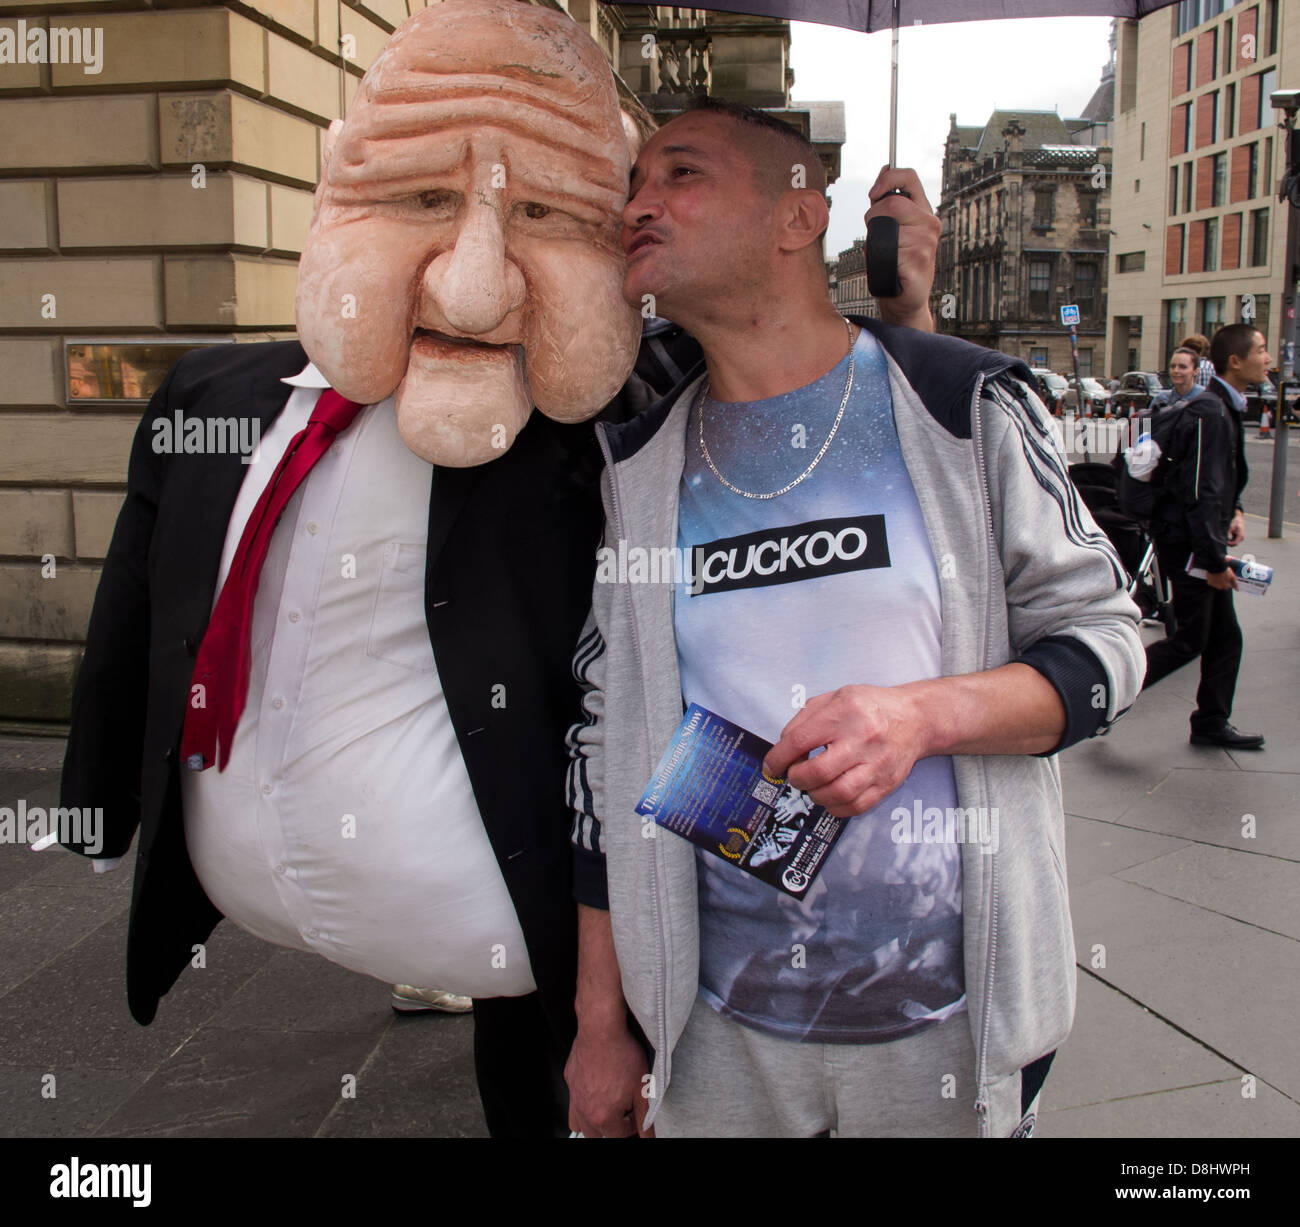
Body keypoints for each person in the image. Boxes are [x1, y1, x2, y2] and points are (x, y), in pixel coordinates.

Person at [54, 3, 940, 1137]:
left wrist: (897, 306)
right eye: (422, 199)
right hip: (258, 888)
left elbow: (787, 402)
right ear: (335, 183)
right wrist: (94, 809)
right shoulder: (213, 401)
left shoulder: (632, 425)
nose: (473, 285)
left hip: (537, 933)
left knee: (539, 1102)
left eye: (541, 215)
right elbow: (136, 608)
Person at [563, 97, 1144, 1139]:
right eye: (632, 186)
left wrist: (922, 718)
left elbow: (1106, 642)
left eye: (679, 175)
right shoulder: (638, 468)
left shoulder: (961, 409)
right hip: (715, 1037)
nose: (638, 204)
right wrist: (603, 1024)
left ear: (797, 216)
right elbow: (609, 752)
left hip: (944, 1028)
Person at [1141, 323, 1269, 750]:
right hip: (1190, 545)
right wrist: (1214, 564)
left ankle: (1211, 721)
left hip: (1199, 541)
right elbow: (1200, 494)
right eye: (1261, 350)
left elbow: (1220, 484)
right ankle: (1102, 692)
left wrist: (1233, 511)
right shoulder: (1212, 412)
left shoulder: (1223, 406)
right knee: (1191, 639)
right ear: (1236, 361)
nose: (1267, 358)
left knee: (1224, 637)